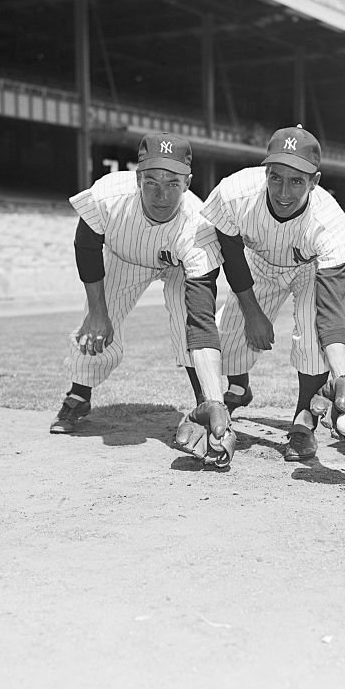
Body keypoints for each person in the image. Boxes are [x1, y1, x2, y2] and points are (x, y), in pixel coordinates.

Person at [51, 133, 234, 466]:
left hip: (179, 265)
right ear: (137, 177)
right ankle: (79, 394)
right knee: (97, 325)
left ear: (188, 182)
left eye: (173, 183)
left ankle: (208, 406)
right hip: (125, 257)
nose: (161, 194)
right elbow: (86, 246)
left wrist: (215, 401)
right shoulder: (109, 196)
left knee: (185, 323)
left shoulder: (199, 226)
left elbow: (201, 318)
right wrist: (97, 312)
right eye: (152, 181)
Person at [200, 125, 345, 462]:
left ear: (314, 181)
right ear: (265, 172)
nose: (284, 191)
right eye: (276, 177)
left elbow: (331, 316)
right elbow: (230, 251)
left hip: (310, 269)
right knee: (229, 343)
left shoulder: (330, 225)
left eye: (296, 181)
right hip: (258, 263)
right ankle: (239, 387)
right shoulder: (236, 193)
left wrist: (343, 375)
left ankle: (303, 423)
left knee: (311, 341)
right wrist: (252, 311)